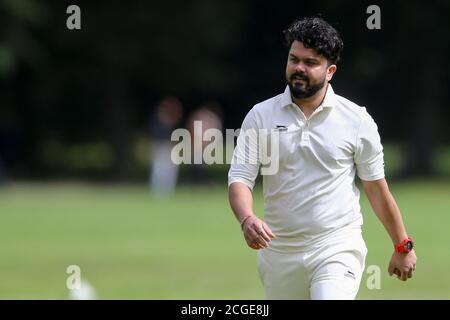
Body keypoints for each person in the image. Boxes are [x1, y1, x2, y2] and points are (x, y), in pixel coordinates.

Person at [228, 17, 417, 300]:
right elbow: (240, 178)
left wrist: (403, 246)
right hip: (278, 253)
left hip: (336, 246)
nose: (299, 68)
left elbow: (376, 188)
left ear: (330, 71)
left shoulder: (356, 120)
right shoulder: (260, 116)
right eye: (294, 59)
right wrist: (246, 219)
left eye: (310, 62)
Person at [149, 97, 183, 195]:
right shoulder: (157, 122)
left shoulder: (169, 122)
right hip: (159, 146)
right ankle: (156, 190)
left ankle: (167, 190)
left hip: (168, 147)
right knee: (158, 169)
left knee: (169, 170)